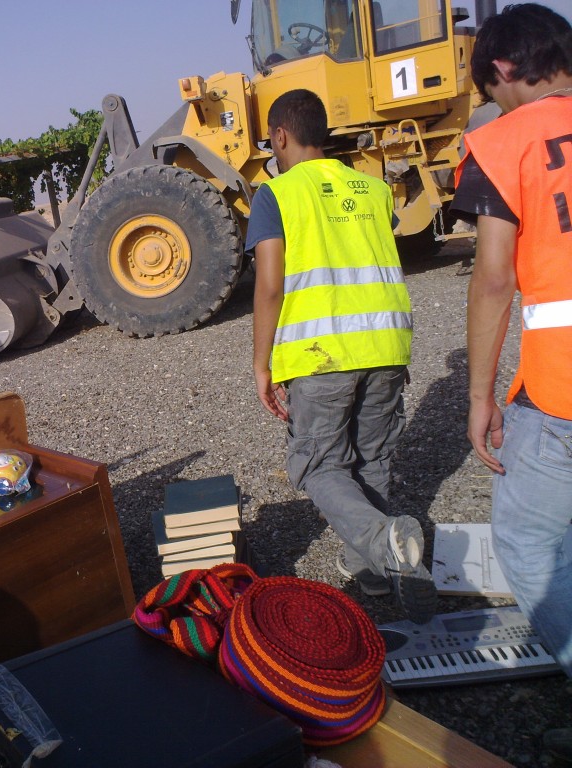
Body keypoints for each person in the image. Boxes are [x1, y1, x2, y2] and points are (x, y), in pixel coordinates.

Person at [248, 88, 436, 623]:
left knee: (317, 464)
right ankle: (374, 572)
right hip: (385, 343)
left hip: (321, 352)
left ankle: (382, 541)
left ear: (280, 135)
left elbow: (269, 284)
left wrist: (262, 364)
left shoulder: (278, 194)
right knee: (371, 459)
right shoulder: (374, 189)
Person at [451, 3, 572, 759]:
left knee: (528, 542)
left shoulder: (502, 141)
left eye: (488, 89)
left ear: (501, 69)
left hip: (561, 391)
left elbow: (494, 280)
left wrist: (478, 396)